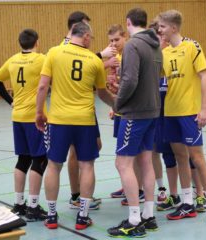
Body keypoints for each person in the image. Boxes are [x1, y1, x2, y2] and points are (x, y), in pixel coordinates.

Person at [36, 22, 114, 230]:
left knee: (54, 165)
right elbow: (103, 93)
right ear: (86, 37)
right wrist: (119, 105)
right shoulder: (95, 60)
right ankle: (83, 216)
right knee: (87, 165)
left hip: (59, 120)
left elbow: (43, 85)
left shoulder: (54, 52)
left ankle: (52, 216)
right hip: (85, 121)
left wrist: (38, 113)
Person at [158, 9, 206, 225]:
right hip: (170, 113)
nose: (160, 30)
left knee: (197, 158)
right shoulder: (163, 53)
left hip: (190, 113)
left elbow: (203, 75)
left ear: (173, 27)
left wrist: (205, 109)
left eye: (162, 27)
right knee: (180, 157)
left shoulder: (192, 46)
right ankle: (187, 203)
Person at [107, 8, 162, 238]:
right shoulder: (155, 44)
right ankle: (148, 216)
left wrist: (117, 103)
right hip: (152, 111)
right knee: (146, 162)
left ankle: (133, 220)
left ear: (128, 22)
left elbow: (129, 81)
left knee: (123, 164)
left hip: (135, 113)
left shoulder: (132, 45)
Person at [61, 11, 116, 210]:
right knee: (80, 154)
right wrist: (101, 57)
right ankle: (78, 196)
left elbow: (82, 74)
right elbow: (76, 68)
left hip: (82, 107)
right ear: (77, 28)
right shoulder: (67, 48)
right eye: (86, 28)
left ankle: (79, 195)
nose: (89, 34)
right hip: (74, 109)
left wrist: (103, 66)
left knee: (94, 146)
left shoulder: (73, 49)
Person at [0, 29, 48, 221]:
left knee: (23, 159)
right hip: (34, 117)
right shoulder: (41, 59)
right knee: (40, 159)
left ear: (20, 43)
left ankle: (19, 203)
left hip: (17, 116)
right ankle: (33, 207)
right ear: (37, 42)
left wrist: (10, 101)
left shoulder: (12, 60)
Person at [106, 24, 145, 204]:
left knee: (132, 155)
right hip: (121, 110)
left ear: (125, 37)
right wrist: (114, 102)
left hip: (132, 112)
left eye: (116, 40)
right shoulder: (115, 57)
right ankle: (128, 185)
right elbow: (118, 87)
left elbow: (131, 83)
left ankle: (138, 189)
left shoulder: (130, 54)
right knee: (124, 152)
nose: (114, 44)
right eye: (111, 41)